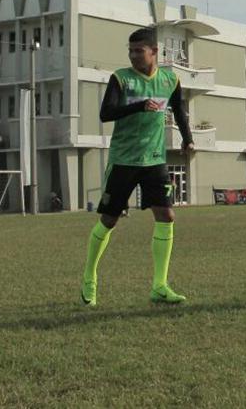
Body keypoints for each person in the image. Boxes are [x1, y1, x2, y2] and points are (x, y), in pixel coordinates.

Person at [80, 27, 193, 307]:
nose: (132, 56)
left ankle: (160, 285)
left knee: (166, 216)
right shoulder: (121, 79)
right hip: (123, 160)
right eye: (129, 51)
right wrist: (140, 105)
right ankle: (89, 276)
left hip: (154, 159)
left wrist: (187, 139)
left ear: (154, 52)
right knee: (109, 220)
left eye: (138, 51)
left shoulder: (170, 79)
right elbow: (106, 113)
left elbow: (178, 110)